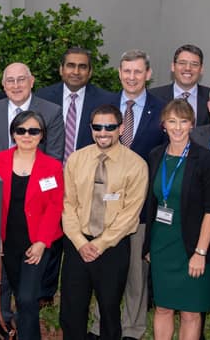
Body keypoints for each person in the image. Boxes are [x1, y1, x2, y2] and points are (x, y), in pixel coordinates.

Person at [87, 50, 167, 340]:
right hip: (102, 205)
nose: (131, 77)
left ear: (148, 74)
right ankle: (99, 325)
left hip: (141, 206)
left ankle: (132, 328)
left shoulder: (161, 109)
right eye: (126, 71)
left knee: (135, 272)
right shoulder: (101, 106)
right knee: (102, 268)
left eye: (137, 71)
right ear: (119, 73)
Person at [59, 105, 148, 340]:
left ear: (121, 128)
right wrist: (80, 242)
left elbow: (131, 213)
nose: (103, 132)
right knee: (71, 311)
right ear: (91, 129)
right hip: (78, 245)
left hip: (113, 247)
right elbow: (68, 204)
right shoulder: (77, 159)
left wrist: (100, 244)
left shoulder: (136, 164)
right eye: (98, 127)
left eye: (109, 127)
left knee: (109, 312)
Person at [144, 99, 210, 340]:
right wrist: (148, 246)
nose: (178, 127)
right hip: (161, 245)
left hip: (191, 247)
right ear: (163, 125)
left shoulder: (206, 159)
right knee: (163, 308)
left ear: (192, 125)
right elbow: (153, 202)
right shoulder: (156, 155)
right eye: (172, 121)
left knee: (190, 312)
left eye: (184, 121)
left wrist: (200, 252)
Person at [0, 110, 64, 340]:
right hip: (8, 241)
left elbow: (55, 206)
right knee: (20, 298)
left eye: (33, 131)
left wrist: (42, 242)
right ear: (13, 133)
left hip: (37, 242)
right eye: (21, 130)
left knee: (26, 298)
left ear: (42, 135)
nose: (27, 135)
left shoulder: (51, 166)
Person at [0, 63, 65, 166]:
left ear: (31, 82)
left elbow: (54, 156)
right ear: (3, 85)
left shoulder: (52, 112)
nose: (16, 86)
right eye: (10, 80)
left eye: (21, 79)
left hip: (35, 179)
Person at [36, 47, 115, 154]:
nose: (76, 72)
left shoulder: (106, 101)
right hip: (49, 167)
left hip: (89, 167)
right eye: (71, 66)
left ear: (90, 72)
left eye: (82, 67)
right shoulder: (42, 97)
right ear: (61, 69)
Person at [149, 44, 210, 126]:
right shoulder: (153, 96)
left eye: (194, 64)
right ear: (173, 67)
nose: (188, 68)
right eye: (182, 63)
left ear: (201, 69)